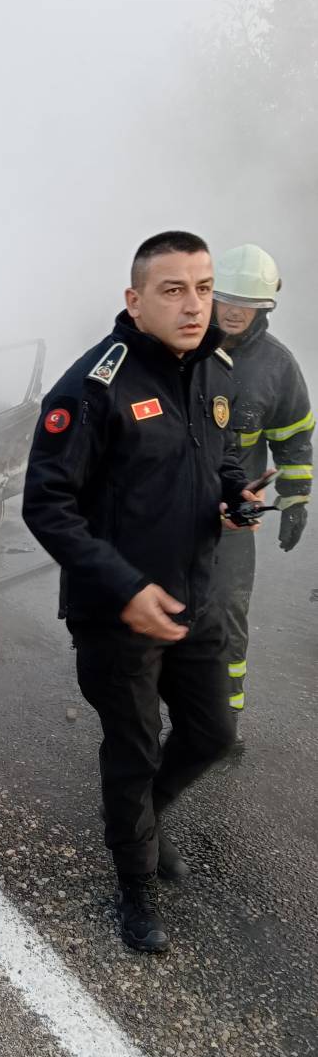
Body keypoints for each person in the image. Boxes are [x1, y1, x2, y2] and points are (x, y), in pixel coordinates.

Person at [23, 231, 261, 954]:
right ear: (134, 300)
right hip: (116, 612)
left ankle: (145, 825)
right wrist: (124, 589)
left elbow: (215, 461)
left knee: (214, 735)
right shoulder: (94, 386)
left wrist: (234, 497)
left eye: (204, 287)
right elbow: (47, 504)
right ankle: (135, 891)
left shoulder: (215, 372)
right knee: (131, 751)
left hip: (194, 595)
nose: (196, 305)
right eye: (173, 290)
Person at [209, 244, 311, 742]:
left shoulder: (277, 367)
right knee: (161, 604)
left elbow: (294, 439)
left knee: (227, 608)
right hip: (170, 505)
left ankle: (225, 720)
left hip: (236, 513)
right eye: (225, 298)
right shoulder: (181, 343)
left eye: (244, 303)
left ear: (264, 307)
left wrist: (295, 500)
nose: (231, 311)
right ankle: (150, 712)